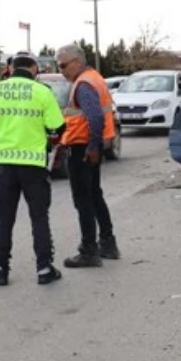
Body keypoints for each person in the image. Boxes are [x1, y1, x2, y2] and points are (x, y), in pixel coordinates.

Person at [0, 51, 65, 286]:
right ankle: (44, 269)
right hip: (33, 165)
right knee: (39, 217)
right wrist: (46, 137)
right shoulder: (42, 92)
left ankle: (0, 270)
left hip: (3, 164)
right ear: (34, 68)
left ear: (11, 68)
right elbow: (58, 127)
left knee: (4, 219)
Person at [55, 43, 119, 267]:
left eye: (63, 65)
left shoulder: (83, 84)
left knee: (83, 200)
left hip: (83, 148)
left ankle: (89, 250)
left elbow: (95, 118)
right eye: (58, 65)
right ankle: (108, 244)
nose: (61, 70)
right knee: (94, 195)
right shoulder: (94, 77)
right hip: (90, 146)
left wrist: (92, 147)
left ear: (77, 62)